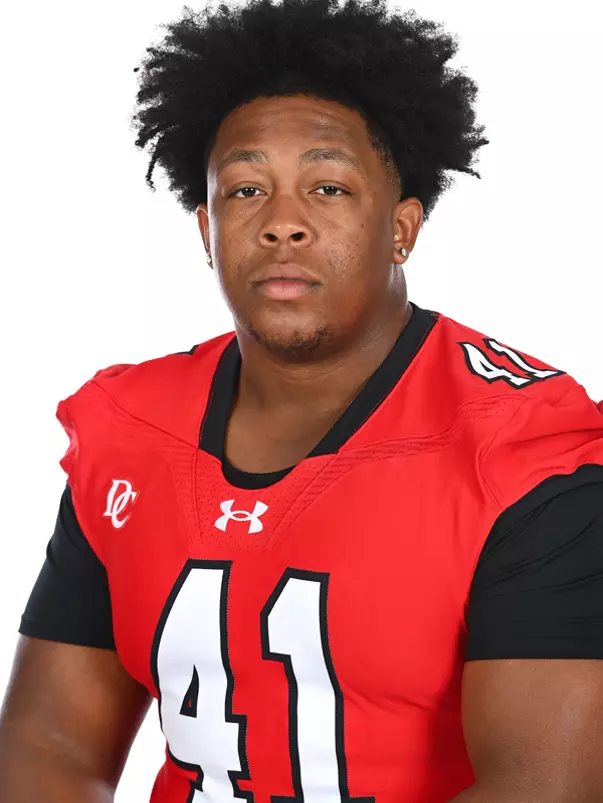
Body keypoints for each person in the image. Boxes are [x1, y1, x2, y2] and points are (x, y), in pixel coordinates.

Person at [1, 0, 603, 800]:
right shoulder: (129, 428)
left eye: (327, 186)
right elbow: (49, 742)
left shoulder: (527, 456)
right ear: (206, 229)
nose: (283, 223)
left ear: (402, 226)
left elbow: (544, 790)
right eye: (246, 189)